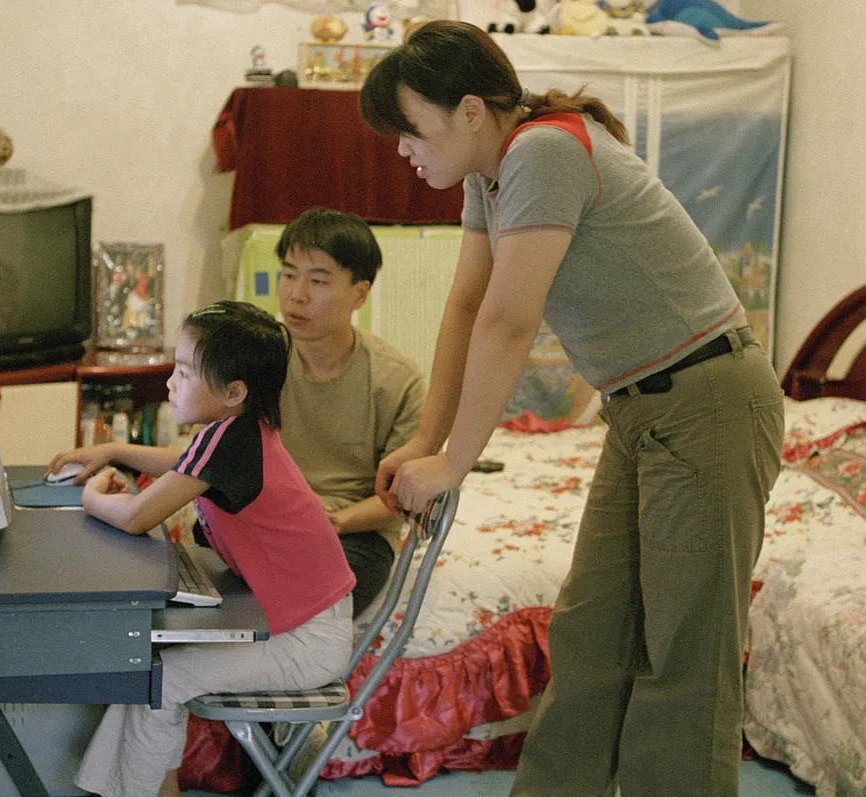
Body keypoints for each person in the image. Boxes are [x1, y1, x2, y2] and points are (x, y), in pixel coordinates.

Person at [358, 21, 784, 797]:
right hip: (639, 412)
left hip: (710, 401)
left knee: (684, 660)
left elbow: (510, 320)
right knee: (590, 638)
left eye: (410, 129)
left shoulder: (544, 151)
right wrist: (425, 436)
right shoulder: (493, 177)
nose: (402, 149)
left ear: (471, 112)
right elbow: (466, 305)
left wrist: (454, 462)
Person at [51, 301, 355, 797]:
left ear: (234, 392)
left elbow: (135, 517)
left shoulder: (230, 441)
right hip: (301, 625)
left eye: (186, 372)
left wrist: (90, 496)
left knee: (159, 680)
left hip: (308, 641)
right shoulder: (238, 433)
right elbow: (181, 462)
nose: (171, 381)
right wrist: (113, 451)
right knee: (145, 666)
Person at [274, 206, 426, 616]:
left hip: (355, 532)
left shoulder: (397, 379)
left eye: (318, 280)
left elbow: (404, 498)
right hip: (267, 519)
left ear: (359, 293)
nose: (296, 294)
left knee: (327, 587)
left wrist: (335, 521)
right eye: (289, 274)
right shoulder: (261, 360)